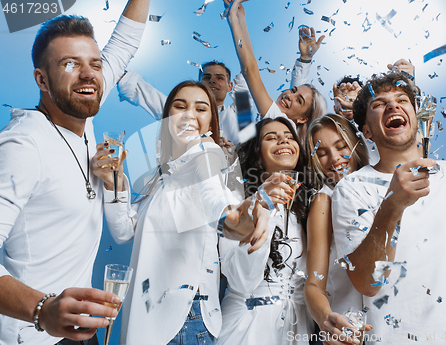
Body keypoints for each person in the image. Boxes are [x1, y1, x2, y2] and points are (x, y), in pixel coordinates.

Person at [0, 2, 150, 344]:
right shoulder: (22, 146)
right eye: (70, 64)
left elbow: (123, 45)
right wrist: (42, 309)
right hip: (33, 332)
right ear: (42, 79)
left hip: (79, 330)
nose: (88, 74)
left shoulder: (80, 111)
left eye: (95, 64)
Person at [96, 80, 271, 344]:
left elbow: (214, 196)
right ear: (167, 118)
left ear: (211, 123)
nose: (189, 114)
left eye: (201, 109)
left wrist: (234, 216)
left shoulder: (208, 155)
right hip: (149, 317)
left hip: (182, 320)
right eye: (180, 106)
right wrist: (113, 181)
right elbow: (123, 232)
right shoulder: (163, 176)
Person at [332, 72, 446, 343]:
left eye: (401, 99)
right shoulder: (352, 189)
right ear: (367, 131)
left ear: (415, 115)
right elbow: (367, 283)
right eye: (378, 104)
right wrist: (392, 206)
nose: (393, 106)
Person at [218, 117, 315, 345]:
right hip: (247, 328)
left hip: (298, 328)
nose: (283, 139)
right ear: (257, 154)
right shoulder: (235, 201)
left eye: (290, 137)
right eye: (271, 137)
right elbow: (242, 281)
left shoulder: (310, 204)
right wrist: (261, 205)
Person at [303, 114, 371, 345]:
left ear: (356, 145)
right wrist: (327, 321)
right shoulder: (325, 200)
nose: (334, 158)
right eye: (321, 153)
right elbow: (313, 284)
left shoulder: (380, 185)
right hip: (348, 331)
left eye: (341, 147)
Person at [225, 0, 327, 141]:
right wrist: (240, 18)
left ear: (303, 119)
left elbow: (250, 70)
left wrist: (232, 18)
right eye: (292, 90)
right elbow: (248, 69)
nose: (289, 95)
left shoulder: (282, 124)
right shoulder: (273, 127)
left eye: (299, 100)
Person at [117, 60, 252, 146]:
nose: (212, 81)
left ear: (230, 86)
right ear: (199, 83)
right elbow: (141, 90)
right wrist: (112, 67)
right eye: (206, 77)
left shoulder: (240, 112)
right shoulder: (181, 114)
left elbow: (248, 70)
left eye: (219, 78)